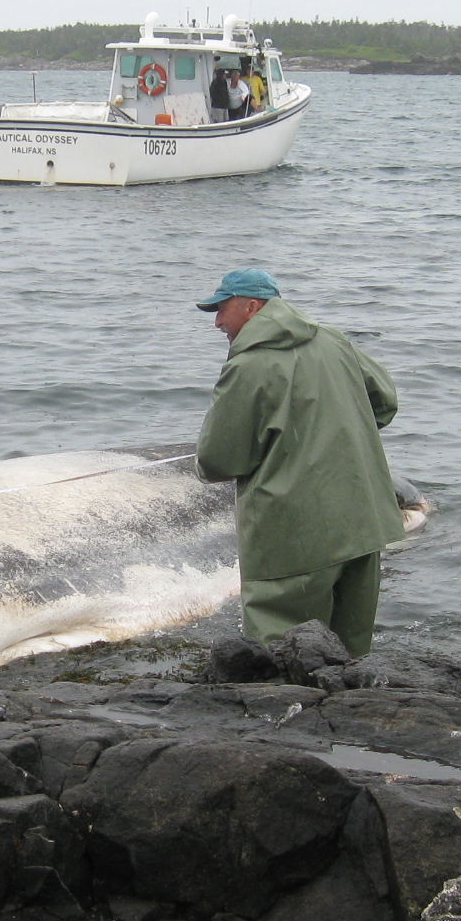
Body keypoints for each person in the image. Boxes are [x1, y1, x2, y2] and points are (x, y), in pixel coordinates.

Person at [193, 268, 401, 659]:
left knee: (283, 655)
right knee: (349, 654)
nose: (218, 322)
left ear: (251, 307)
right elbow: (385, 403)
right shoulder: (333, 340)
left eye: (221, 310)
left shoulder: (248, 366)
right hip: (362, 520)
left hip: (294, 535)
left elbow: (219, 460)